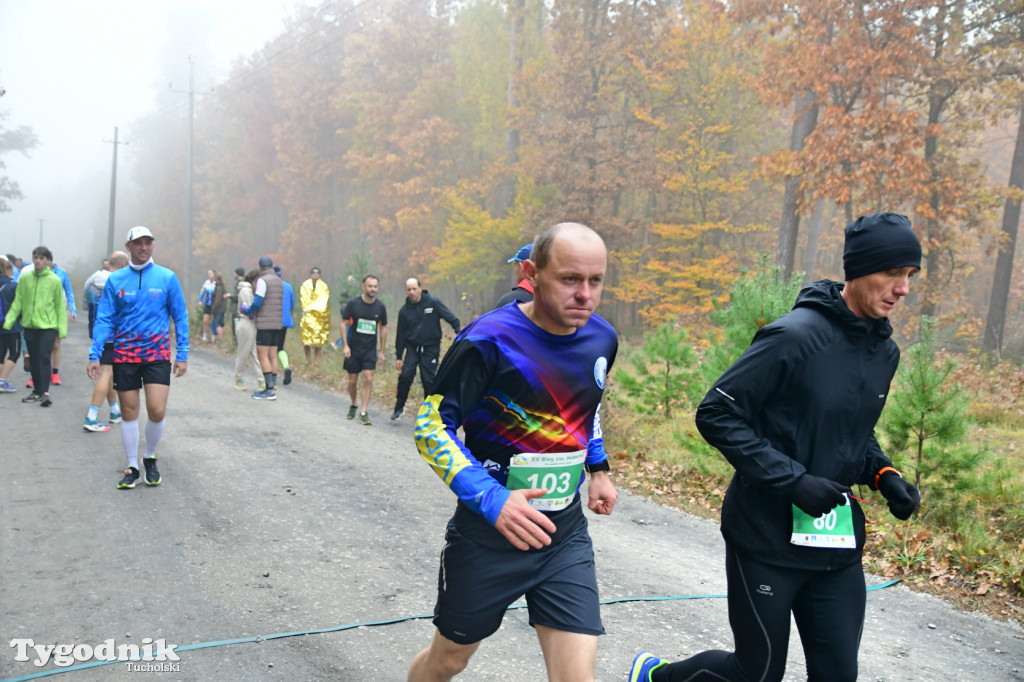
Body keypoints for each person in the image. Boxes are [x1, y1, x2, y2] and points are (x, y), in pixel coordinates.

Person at [630, 212, 924, 682]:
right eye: (892, 273)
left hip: (835, 546)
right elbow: (717, 412)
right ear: (858, 271)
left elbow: (850, 430)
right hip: (765, 537)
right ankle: (656, 677)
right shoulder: (794, 336)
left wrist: (884, 475)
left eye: (909, 275)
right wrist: (793, 480)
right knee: (756, 673)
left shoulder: (883, 353)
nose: (903, 288)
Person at [408, 222, 618, 682]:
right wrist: (491, 498)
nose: (584, 294)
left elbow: (587, 408)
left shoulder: (603, 339)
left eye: (595, 281)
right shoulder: (486, 340)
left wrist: (598, 466)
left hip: (562, 535)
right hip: (488, 535)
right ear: (532, 272)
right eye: (569, 279)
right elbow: (430, 427)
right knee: (448, 661)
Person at [88, 226, 189, 490]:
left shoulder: (167, 277)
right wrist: (95, 353)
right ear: (129, 246)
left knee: (157, 410)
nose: (144, 247)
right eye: (138, 243)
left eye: (148, 243)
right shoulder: (116, 280)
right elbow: (104, 319)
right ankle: (132, 466)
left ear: (153, 246)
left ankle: (150, 457)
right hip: (125, 355)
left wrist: (183, 353)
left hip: (156, 355)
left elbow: (180, 316)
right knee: (130, 412)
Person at [2, 246, 67, 407]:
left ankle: (44, 393)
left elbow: (59, 305)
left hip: (48, 326)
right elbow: (18, 301)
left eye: (41, 258)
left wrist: (61, 328)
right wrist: (9, 321)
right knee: (34, 359)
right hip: (30, 325)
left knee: (44, 357)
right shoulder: (25, 278)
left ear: (47, 261)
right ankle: (37, 391)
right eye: (35, 257)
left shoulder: (54, 280)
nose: (38, 261)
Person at [390, 277, 460, 421]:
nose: (411, 292)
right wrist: (398, 356)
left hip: (430, 347)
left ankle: (429, 413)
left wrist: (458, 330)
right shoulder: (404, 311)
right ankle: (399, 407)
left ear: (420, 289)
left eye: (414, 289)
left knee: (428, 380)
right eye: (408, 289)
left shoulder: (432, 303)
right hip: (412, 347)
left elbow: (450, 316)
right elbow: (400, 335)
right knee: (405, 376)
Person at [82, 251, 128, 432]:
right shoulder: (120, 282)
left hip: (96, 331)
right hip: (113, 334)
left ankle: (115, 411)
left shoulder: (92, 280)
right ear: (124, 265)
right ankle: (91, 417)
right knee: (107, 373)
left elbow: (85, 304)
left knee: (109, 372)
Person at [340, 274, 387, 425]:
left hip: (369, 350)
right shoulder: (353, 304)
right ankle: (354, 404)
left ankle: (364, 411)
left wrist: (382, 351)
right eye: (370, 286)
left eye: (375, 286)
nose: (373, 289)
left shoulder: (380, 307)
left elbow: (383, 327)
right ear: (363, 287)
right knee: (352, 381)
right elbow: (343, 323)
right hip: (354, 348)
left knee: (368, 378)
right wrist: (345, 345)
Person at [242, 256, 284, 401]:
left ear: (260, 267)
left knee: (262, 355)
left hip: (265, 323)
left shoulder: (262, 280)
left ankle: (269, 390)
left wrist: (247, 310)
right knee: (273, 354)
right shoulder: (279, 281)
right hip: (277, 323)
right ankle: (273, 384)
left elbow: (258, 301)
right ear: (271, 266)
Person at [233, 269, 266, 392]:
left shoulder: (250, 290)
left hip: (251, 324)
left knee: (254, 353)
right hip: (245, 323)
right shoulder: (246, 290)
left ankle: (261, 380)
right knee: (243, 352)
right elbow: (248, 310)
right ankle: (238, 379)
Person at [46, 254, 76, 386]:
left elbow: (69, 292)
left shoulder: (61, 274)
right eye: (37, 258)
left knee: (56, 344)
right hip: (42, 313)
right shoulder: (34, 275)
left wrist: (73, 310)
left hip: (59, 312)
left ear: (51, 261)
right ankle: (38, 374)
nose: (40, 262)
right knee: (41, 346)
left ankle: (55, 373)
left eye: (44, 259)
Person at [299, 266, 331, 368]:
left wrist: (314, 309)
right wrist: (310, 309)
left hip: (319, 317)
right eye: (313, 273)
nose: (315, 274)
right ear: (311, 274)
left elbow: (323, 301)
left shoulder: (324, 286)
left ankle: (316, 362)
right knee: (306, 340)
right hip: (307, 316)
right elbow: (304, 300)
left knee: (319, 341)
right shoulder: (305, 285)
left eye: (317, 273)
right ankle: (307, 360)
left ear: (320, 275)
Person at [0, 256, 21, 393]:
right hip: (12, 327)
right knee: (14, 353)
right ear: (8, 269)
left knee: (0, 354)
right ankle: (2, 381)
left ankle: (1, 379)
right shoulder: (13, 286)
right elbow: (20, 306)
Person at [494, 243, 535, 308]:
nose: (515, 273)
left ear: (523, 268)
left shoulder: (508, 302)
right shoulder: (554, 299)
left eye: (516, 267)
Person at [274, 264, 295, 385]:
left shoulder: (269, 286)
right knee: (280, 347)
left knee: (271, 348)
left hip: (273, 320)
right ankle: (286, 367)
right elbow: (292, 305)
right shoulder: (288, 286)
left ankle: (273, 374)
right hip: (285, 320)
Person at [83, 257, 112, 339]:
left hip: (94, 304)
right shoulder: (114, 278)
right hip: (106, 305)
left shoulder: (93, 278)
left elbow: (86, 289)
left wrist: (85, 305)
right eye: (104, 264)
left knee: (94, 323)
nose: (106, 266)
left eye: (107, 264)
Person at [210, 271, 227, 344]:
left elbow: (217, 300)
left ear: (215, 277)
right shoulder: (221, 285)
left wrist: (213, 310)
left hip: (218, 309)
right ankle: (221, 339)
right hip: (221, 309)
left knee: (217, 323)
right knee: (221, 323)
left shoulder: (219, 287)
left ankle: (220, 340)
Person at [198, 270, 215, 342]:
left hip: (214, 305)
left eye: (210, 273)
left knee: (213, 321)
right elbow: (202, 291)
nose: (208, 275)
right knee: (205, 320)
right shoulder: (206, 282)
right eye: (208, 273)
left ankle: (213, 336)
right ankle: (205, 335)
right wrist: (200, 300)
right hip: (207, 304)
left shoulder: (216, 283)